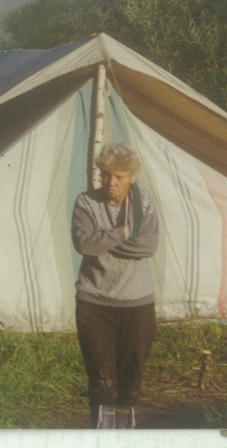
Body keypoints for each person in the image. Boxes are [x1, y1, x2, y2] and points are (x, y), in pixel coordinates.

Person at [70, 143, 159, 429]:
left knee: (132, 372)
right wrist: (124, 232)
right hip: (94, 300)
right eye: (106, 175)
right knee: (101, 374)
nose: (111, 182)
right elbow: (84, 244)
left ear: (131, 177)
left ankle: (125, 431)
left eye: (119, 177)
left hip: (137, 301)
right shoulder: (86, 202)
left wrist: (104, 240)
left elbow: (149, 245)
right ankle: (101, 433)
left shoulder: (143, 202)